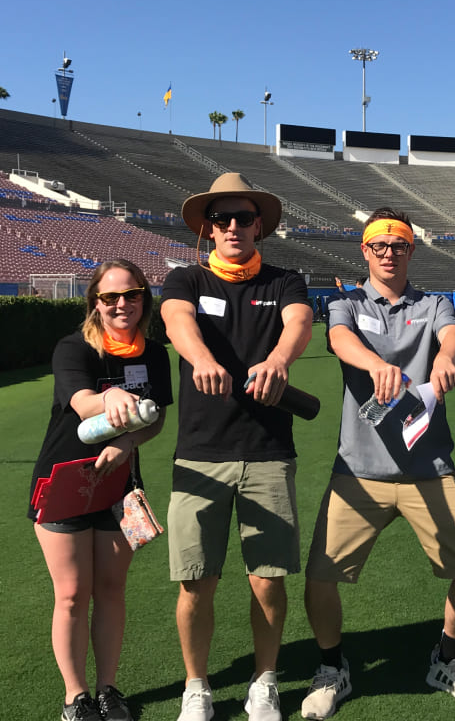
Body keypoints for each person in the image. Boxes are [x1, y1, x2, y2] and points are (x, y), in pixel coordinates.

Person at [301, 208, 455, 720]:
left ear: (412, 251)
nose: (389, 253)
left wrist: (447, 358)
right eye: (379, 245)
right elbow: (339, 341)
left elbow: (453, 335)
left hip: (428, 465)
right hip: (358, 468)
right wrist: (377, 364)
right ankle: (331, 667)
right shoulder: (345, 302)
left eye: (399, 245)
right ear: (364, 251)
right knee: (321, 574)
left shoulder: (431, 304)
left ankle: (447, 660)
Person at [160, 173, 313, 721]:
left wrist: (278, 361)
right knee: (195, 581)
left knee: (267, 580)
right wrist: (201, 359)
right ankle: (196, 687)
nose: (231, 226)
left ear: (259, 226)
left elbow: (299, 322)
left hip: (267, 452)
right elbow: (177, 321)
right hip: (200, 453)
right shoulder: (186, 280)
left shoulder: (284, 280)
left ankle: (264, 680)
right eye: (220, 218)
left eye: (242, 217)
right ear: (207, 227)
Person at [29, 259, 172, 721]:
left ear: (144, 298)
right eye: (110, 297)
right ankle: (76, 697)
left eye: (131, 294)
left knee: (111, 589)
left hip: (119, 485)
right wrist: (109, 398)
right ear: (95, 303)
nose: (121, 304)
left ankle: (109, 690)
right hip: (64, 481)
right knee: (72, 593)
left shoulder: (153, 353)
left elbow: (156, 418)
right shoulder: (74, 348)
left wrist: (130, 440)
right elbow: (82, 400)